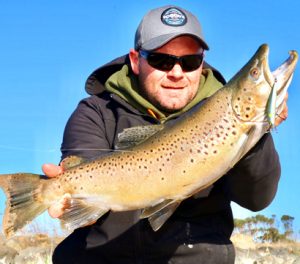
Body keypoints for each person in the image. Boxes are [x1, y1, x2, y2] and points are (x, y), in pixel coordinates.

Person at [43, 5, 287, 264]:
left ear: (201, 64)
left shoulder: (223, 115)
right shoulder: (95, 111)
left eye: (190, 61)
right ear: (136, 61)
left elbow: (257, 199)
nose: (177, 73)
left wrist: (259, 133)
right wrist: (72, 202)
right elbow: (82, 168)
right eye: (162, 60)